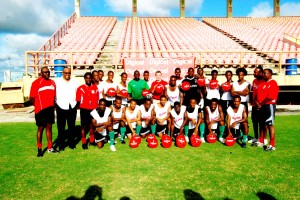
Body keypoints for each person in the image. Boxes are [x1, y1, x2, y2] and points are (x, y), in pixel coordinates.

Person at [30, 66, 58, 157]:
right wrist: (37, 106)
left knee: (49, 127)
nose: (47, 74)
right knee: (40, 128)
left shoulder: (52, 83)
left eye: (48, 72)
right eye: (45, 72)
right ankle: (39, 148)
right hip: (40, 109)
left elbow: (54, 96)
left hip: (50, 109)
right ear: (41, 73)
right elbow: (32, 97)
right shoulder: (36, 83)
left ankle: (50, 147)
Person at [254, 69, 279, 151]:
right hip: (261, 106)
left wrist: (260, 104)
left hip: (269, 106)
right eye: (263, 73)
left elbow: (270, 97)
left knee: (269, 124)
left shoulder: (273, 83)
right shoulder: (262, 84)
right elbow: (257, 96)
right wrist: (257, 103)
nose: (264, 75)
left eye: (265, 73)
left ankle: (272, 144)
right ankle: (261, 141)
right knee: (261, 124)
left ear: (270, 74)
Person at [55, 67, 79, 150]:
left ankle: (71, 144)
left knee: (71, 126)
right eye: (65, 73)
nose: (67, 74)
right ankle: (61, 145)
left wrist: (76, 104)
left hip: (72, 105)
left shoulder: (75, 82)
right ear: (62, 73)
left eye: (69, 73)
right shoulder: (57, 82)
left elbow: (78, 93)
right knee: (61, 127)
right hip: (61, 105)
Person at [76, 72, 99, 150]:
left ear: (92, 78)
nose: (88, 79)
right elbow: (78, 100)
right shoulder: (80, 88)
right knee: (84, 126)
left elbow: (97, 99)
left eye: (90, 78)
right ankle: (84, 142)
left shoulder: (95, 87)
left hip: (93, 109)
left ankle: (92, 140)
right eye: (87, 78)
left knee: (92, 126)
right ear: (84, 79)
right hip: (84, 109)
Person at [248, 66, 266, 144]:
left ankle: (263, 138)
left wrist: (261, 103)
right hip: (254, 104)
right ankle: (256, 137)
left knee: (262, 122)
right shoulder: (254, 81)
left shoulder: (264, 81)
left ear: (260, 72)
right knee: (254, 121)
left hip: (262, 105)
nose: (254, 73)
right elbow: (254, 93)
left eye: (255, 72)